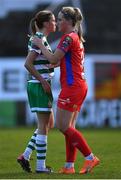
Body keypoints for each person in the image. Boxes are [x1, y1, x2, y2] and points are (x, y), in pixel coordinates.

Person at [32, 6, 100, 174]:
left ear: (69, 22)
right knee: (70, 127)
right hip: (79, 86)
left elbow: (54, 58)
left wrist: (40, 44)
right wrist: (52, 61)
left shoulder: (68, 38)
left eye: (61, 19)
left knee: (63, 126)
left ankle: (90, 157)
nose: (58, 22)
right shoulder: (74, 37)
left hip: (72, 87)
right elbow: (58, 61)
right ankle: (69, 166)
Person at [17, 10, 56, 173]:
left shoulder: (41, 39)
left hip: (40, 84)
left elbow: (43, 62)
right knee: (43, 125)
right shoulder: (38, 39)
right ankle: (41, 167)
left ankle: (25, 155)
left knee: (49, 124)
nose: (55, 23)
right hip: (39, 85)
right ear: (46, 23)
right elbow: (28, 63)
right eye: (53, 20)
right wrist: (42, 81)